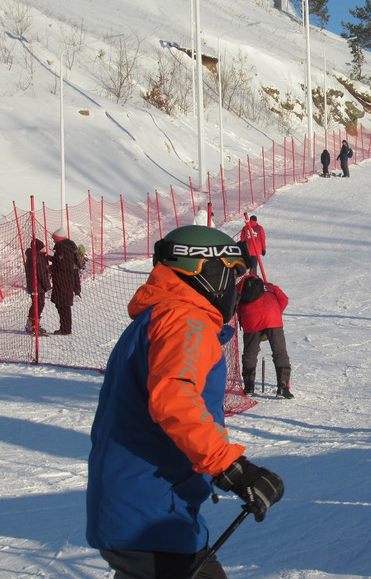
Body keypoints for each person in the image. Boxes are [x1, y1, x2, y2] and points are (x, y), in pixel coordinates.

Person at [86, 225, 284, 579]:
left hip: (146, 506)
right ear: (205, 270)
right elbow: (174, 398)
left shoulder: (160, 316)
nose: (234, 289)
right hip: (151, 510)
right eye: (231, 276)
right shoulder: (184, 319)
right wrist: (232, 468)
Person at [237, 274, 293, 398]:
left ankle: (249, 388)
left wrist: (244, 323)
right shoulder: (270, 286)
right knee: (280, 352)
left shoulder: (240, 288)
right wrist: (275, 313)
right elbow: (284, 299)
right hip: (272, 318)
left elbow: (237, 307)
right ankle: (283, 389)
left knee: (250, 354)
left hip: (250, 319)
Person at [49, 227, 81, 335]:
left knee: (63, 306)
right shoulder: (67, 247)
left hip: (63, 282)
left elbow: (63, 265)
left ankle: (65, 329)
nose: (53, 240)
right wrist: (51, 259)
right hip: (65, 281)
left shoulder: (63, 249)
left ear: (58, 238)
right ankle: (65, 328)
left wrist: (51, 268)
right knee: (62, 306)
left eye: (54, 238)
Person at [24, 237, 51, 335]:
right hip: (37, 286)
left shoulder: (35, 256)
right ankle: (32, 325)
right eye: (42, 247)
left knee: (37, 304)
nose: (44, 249)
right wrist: (47, 286)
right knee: (38, 305)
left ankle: (34, 324)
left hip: (35, 286)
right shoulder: (37, 258)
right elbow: (41, 274)